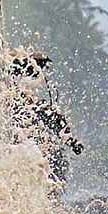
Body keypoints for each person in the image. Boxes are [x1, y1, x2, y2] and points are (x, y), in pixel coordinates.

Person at [9, 52, 84, 184]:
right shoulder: (27, 94)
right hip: (27, 151)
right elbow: (53, 118)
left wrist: (71, 141)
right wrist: (72, 142)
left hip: (20, 150)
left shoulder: (13, 89)